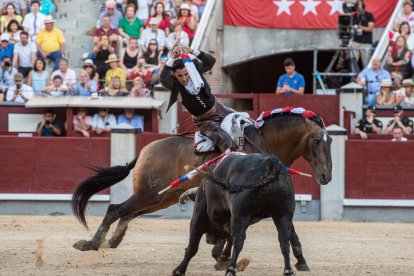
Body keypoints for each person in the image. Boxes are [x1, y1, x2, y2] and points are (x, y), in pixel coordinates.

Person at [160, 45, 235, 152]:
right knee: (226, 141)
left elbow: (211, 61)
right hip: (203, 121)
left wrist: (192, 51)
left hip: (219, 109)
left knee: (244, 122)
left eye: (186, 74)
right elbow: (163, 79)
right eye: (180, 76)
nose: (184, 78)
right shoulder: (173, 83)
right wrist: (172, 57)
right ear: (174, 75)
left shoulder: (195, 69)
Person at [352, 0, 374, 69]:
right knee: (353, 61)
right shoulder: (353, 16)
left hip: (366, 42)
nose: (358, 7)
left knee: (366, 62)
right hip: (355, 41)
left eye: (359, 4)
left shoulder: (369, 15)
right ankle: (354, 77)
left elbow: (370, 28)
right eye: (357, 5)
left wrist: (360, 27)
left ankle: (367, 77)